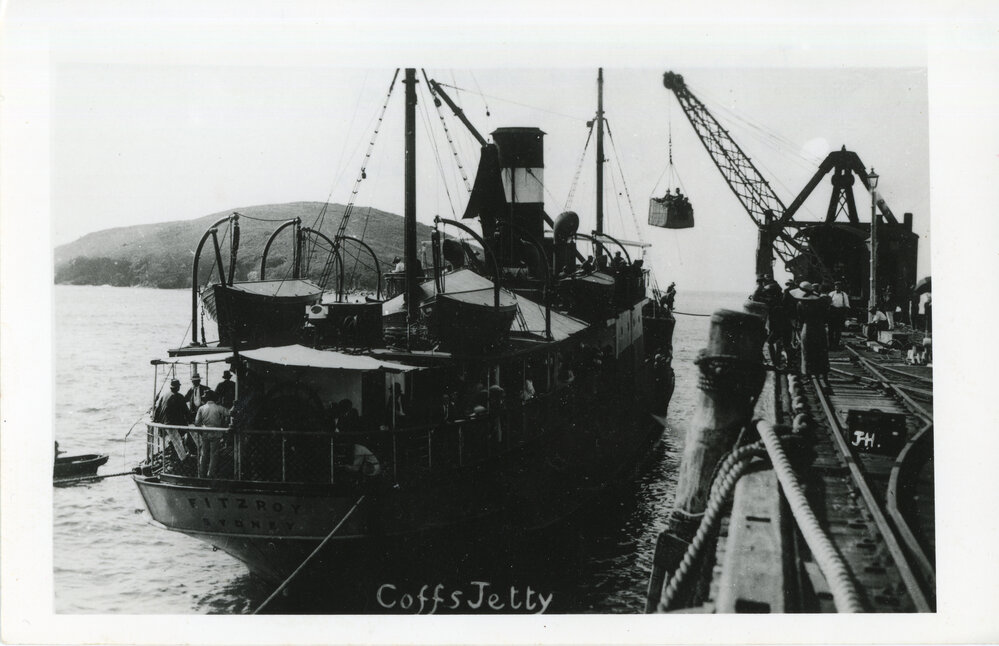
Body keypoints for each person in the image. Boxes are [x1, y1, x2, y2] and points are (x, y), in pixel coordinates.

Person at [794, 281, 830, 377]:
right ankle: (822, 370)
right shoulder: (820, 301)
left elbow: (800, 318)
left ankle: (808, 371)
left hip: (808, 327)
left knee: (807, 350)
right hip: (820, 328)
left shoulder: (800, 303)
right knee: (820, 349)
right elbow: (826, 316)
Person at [193, 391, 230, 478]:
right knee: (214, 454)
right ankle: (211, 473)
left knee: (204, 454)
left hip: (205, 433)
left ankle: (201, 473)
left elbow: (197, 423)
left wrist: (202, 428)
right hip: (216, 433)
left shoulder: (201, 408)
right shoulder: (219, 408)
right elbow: (229, 413)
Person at [827, 281, 851, 349]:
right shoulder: (831, 294)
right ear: (834, 287)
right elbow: (827, 304)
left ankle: (836, 345)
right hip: (832, 313)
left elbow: (847, 305)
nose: (837, 287)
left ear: (841, 287)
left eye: (839, 286)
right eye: (836, 286)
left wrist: (845, 315)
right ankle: (830, 344)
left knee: (838, 330)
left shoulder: (844, 295)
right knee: (830, 330)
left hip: (840, 313)